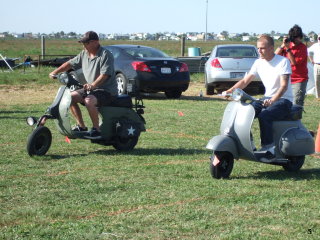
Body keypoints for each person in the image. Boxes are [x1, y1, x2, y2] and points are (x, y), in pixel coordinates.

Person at [223, 35, 293, 161]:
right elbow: (245, 81)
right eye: (258, 48)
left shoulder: (283, 61)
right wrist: (229, 91)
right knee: (245, 113)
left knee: (264, 116)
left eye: (262, 48)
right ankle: (246, 143)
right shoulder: (258, 62)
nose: (259, 51)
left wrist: (273, 100)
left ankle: (269, 148)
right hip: (266, 98)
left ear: (271, 48)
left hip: (284, 100)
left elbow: (283, 86)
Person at [49, 31, 118, 139]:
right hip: (90, 89)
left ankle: (97, 130)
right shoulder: (84, 53)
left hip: (106, 90)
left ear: (95, 42)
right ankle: (81, 126)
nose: (83, 45)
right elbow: (69, 64)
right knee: (69, 98)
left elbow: (105, 75)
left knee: (89, 100)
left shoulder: (105, 54)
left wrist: (93, 85)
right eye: (83, 43)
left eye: (86, 43)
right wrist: (55, 72)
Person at [275, 24, 308, 106]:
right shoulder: (287, 45)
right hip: (286, 79)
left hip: (299, 79)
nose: (296, 40)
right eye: (294, 38)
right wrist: (283, 45)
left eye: (298, 38)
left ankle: (296, 118)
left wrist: (288, 49)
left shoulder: (303, 48)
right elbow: (275, 56)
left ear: (300, 37)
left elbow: (294, 63)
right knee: (284, 102)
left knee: (296, 103)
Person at [308, 33, 320, 99]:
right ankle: (318, 97)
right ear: (317, 39)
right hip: (317, 65)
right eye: (319, 38)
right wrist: (311, 60)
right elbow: (308, 52)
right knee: (317, 81)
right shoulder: (315, 46)